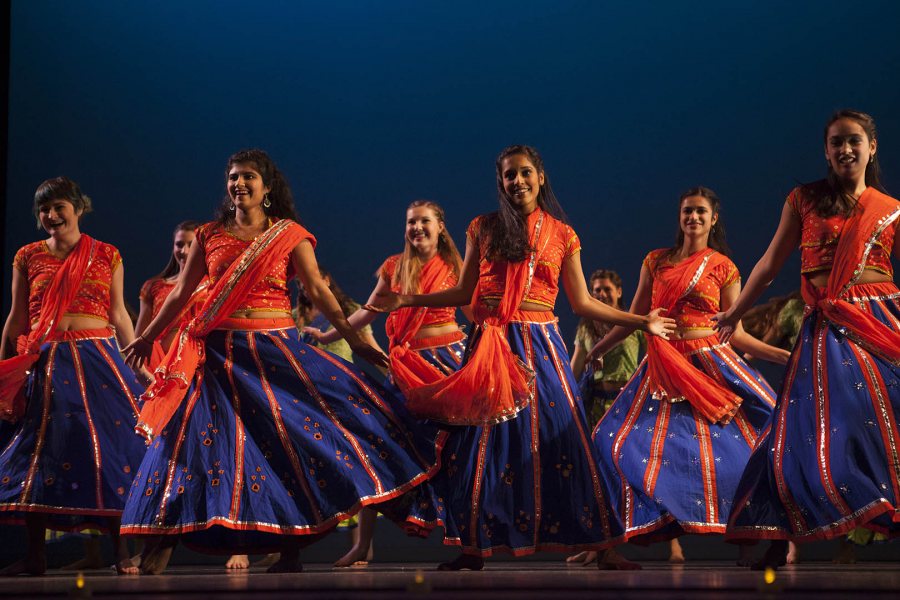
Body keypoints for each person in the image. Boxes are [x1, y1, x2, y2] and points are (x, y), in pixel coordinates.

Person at [120, 149, 445, 574]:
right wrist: (147, 336)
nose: (239, 184)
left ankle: (291, 549)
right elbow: (182, 294)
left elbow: (320, 292)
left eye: (249, 177)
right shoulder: (208, 234)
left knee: (290, 447)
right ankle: (163, 539)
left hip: (274, 354)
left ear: (267, 187)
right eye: (233, 177)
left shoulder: (289, 235)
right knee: (194, 445)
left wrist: (354, 339)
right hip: (218, 356)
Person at [366, 144, 675, 570]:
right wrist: (408, 300)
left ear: (541, 177)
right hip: (492, 342)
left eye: (525, 172)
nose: (518, 181)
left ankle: (603, 546)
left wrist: (642, 322)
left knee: (567, 437)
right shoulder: (484, 228)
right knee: (480, 443)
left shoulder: (564, 235)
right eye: (509, 175)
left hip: (542, 345)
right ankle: (473, 548)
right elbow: (463, 293)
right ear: (501, 182)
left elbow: (582, 302)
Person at [715, 109, 900, 569]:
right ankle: (779, 536)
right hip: (825, 330)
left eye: (854, 140)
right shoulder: (804, 200)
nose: (846, 149)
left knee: (887, 420)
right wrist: (734, 312)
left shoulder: (890, 209)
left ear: (872, 147)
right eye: (836, 142)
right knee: (796, 432)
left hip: (878, 320)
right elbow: (769, 264)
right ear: (826, 150)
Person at [588, 187, 787, 564]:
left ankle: (756, 539)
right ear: (679, 218)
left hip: (710, 364)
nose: (693, 218)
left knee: (749, 444)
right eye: (687, 212)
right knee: (610, 441)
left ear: (713, 219)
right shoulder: (656, 261)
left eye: (700, 212)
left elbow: (737, 332)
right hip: (662, 367)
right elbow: (637, 316)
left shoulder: (724, 267)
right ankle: (609, 547)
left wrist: (784, 356)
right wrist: (600, 348)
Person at [0, 177, 148, 576]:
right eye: (44, 209)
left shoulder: (106, 254)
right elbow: (17, 318)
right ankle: (35, 554)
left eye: (59, 206)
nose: (51, 215)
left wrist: (134, 361)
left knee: (107, 450)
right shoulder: (28, 256)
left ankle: (122, 551)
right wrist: (5, 374)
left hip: (97, 358)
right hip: (48, 361)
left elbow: (118, 314)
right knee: (41, 452)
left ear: (79, 208)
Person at [308, 200, 468, 568]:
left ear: (441, 226)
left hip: (447, 368)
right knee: (378, 446)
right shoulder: (394, 267)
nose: (417, 228)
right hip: (407, 370)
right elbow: (368, 311)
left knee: (459, 454)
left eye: (425, 221)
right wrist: (329, 333)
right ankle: (362, 545)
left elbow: (475, 314)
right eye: (411, 222)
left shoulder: (457, 268)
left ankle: (469, 545)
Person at [569, 269, 644, 425]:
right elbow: (574, 370)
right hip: (597, 405)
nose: (601, 294)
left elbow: (650, 358)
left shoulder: (632, 324)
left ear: (619, 292)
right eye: (597, 290)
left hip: (627, 401)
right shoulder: (586, 328)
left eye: (607, 289)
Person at [134, 221, 200, 370]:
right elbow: (140, 335)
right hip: (156, 364)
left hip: (196, 364)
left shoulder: (210, 285)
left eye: (191, 244)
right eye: (179, 244)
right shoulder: (154, 286)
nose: (185, 251)